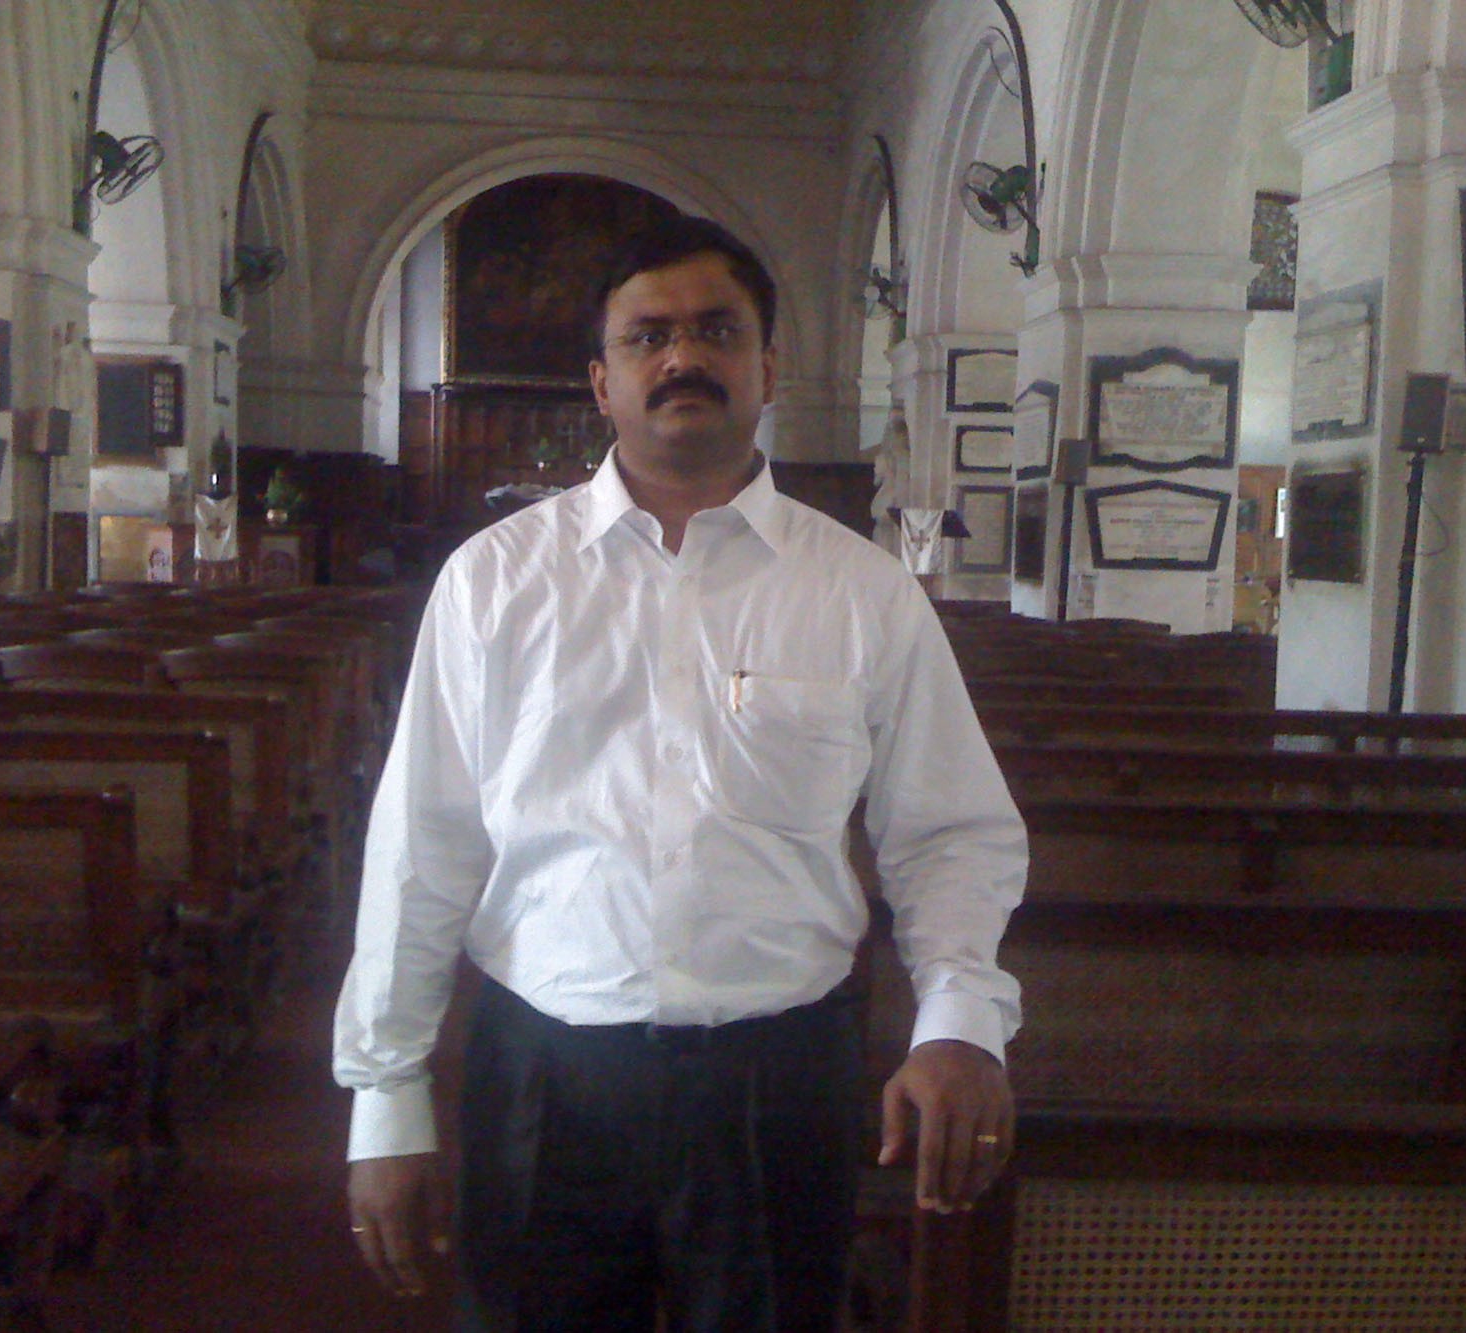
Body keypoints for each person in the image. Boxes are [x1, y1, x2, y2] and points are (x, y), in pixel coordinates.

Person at [334, 215, 1027, 1332]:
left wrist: (957, 1018)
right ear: (601, 380)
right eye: (648, 336)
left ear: (767, 368)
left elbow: (946, 831)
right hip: (543, 1074)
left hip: (778, 1082)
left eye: (716, 330)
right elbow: (425, 842)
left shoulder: (862, 593)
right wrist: (385, 1093)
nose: (682, 358)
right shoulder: (494, 583)